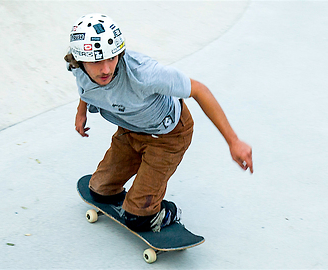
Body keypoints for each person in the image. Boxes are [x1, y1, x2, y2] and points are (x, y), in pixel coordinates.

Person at [65, 13, 253, 232]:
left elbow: (199, 90)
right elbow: (86, 88)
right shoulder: (77, 69)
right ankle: (140, 192)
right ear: (79, 61)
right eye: (97, 61)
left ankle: (165, 211)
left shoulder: (145, 74)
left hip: (168, 136)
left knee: (138, 219)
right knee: (99, 192)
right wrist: (81, 111)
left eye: (112, 57)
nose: (106, 69)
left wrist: (233, 141)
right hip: (129, 130)